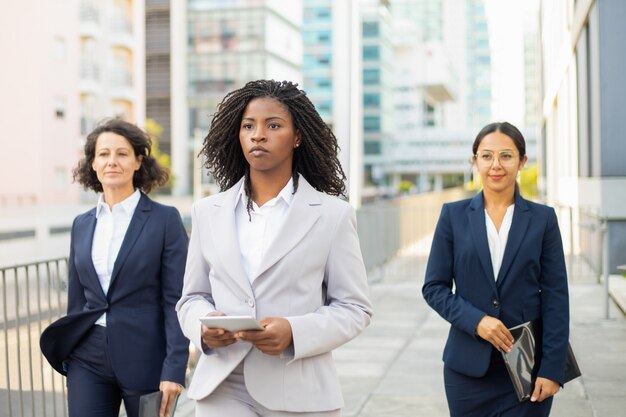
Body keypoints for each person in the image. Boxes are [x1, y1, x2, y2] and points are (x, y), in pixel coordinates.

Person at [176, 79, 373, 416]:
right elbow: (190, 299)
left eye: (274, 125)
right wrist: (205, 327)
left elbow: (355, 308)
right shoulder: (207, 212)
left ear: (297, 137)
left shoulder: (333, 216)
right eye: (248, 126)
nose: (258, 135)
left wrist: (295, 332)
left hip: (297, 387)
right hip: (222, 384)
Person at [40, 119, 190, 417]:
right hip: (87, 358)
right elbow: (77, 299)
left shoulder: (164, 220)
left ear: (138, 162)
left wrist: (175, 368)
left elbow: (176, 299)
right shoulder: (82, 224)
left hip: (147, 357)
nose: (112, 161)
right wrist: (71, 354)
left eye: (122, 154)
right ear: (93, 164)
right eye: (103, 154)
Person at [422, 121, 570, 417]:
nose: (496, 165)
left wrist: (553, 368)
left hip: (529, 369)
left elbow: (556, 296)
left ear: (522, 161)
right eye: (486, 156)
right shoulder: (453, 216)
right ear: (474, 161)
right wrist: (477, 321)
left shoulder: (543, 219)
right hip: (467, 372)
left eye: (506, 155)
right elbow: (434, 288)